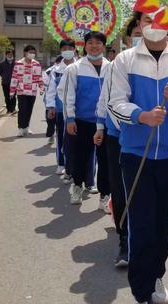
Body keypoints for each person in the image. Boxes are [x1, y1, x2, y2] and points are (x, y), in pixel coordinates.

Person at [109, 12, 168, 304]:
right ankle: (141, 290)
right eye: (147, 18)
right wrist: (142, 116)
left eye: (161, 17)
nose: (154, 24)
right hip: (136, 155)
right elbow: (115, 104)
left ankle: (156, 274)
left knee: (163, 225)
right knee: (141, 223)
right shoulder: (125, 60)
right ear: (138, 24)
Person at [93, 16, 142, 267]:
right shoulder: (114, 65)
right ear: (128, 37)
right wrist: (101, 126)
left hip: (145, 138)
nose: (142, 35)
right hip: (116, 136)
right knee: (121, 189)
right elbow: (105, 99)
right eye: (137, 31)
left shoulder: (163, 64)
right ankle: (125, 240)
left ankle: (141, 238)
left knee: (141, 191)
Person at [59, 31, 110, 205]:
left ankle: (105, 196)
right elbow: (67, 95)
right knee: (80, 157)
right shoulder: (74, 68)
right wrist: (70, 118)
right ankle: (77, 188)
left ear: (104, 45)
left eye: (98, 43)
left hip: (104, 123)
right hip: (82, 121)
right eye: (90, 43)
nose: (94, 46)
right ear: (85, 45)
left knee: (105, 161)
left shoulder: (111, 67)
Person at [46, 40, 76, 176]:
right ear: (61, 51)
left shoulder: (81, 66)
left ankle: (74, 164)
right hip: (60, 109)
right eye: (64, 48)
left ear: (75, 49)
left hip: (77, 111)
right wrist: (50, 107)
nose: (67, 50)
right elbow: (51, 90)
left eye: (70, 47)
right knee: (61, 137)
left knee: (75, 139)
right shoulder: (56, 70)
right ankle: (61, 163)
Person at [10, 45, 43, 137]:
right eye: (30, 52)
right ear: (25, 53)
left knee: (29, 110)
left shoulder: (36, 64)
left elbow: (39, 77)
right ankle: (20, 128)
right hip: (21, 91)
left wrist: (41, 87)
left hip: (32, 91)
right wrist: (12, 91)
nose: (32, 54)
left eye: (33, 52)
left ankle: (26, 127)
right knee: (22, 110)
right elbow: (14, 77)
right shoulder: (18, 63)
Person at [43, 56, 62, 145]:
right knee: (50, 119)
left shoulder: (70, 69)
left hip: (62, 102)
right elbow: (45, 83)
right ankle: (50, 135)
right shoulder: (50, 71)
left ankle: (58, 136)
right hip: (50, 99)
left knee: (59, 122)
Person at [0, 50, 16, 114]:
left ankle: (13, 109)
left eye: (11, 54)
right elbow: (0, 72)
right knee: (7, 97)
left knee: (13, 96)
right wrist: (5, 76)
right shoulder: (2, 64)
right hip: (5, 83)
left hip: (14, 83)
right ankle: (8, 109)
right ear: (6, 55)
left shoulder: (16, 63)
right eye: (8, 54)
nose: (10, 55)